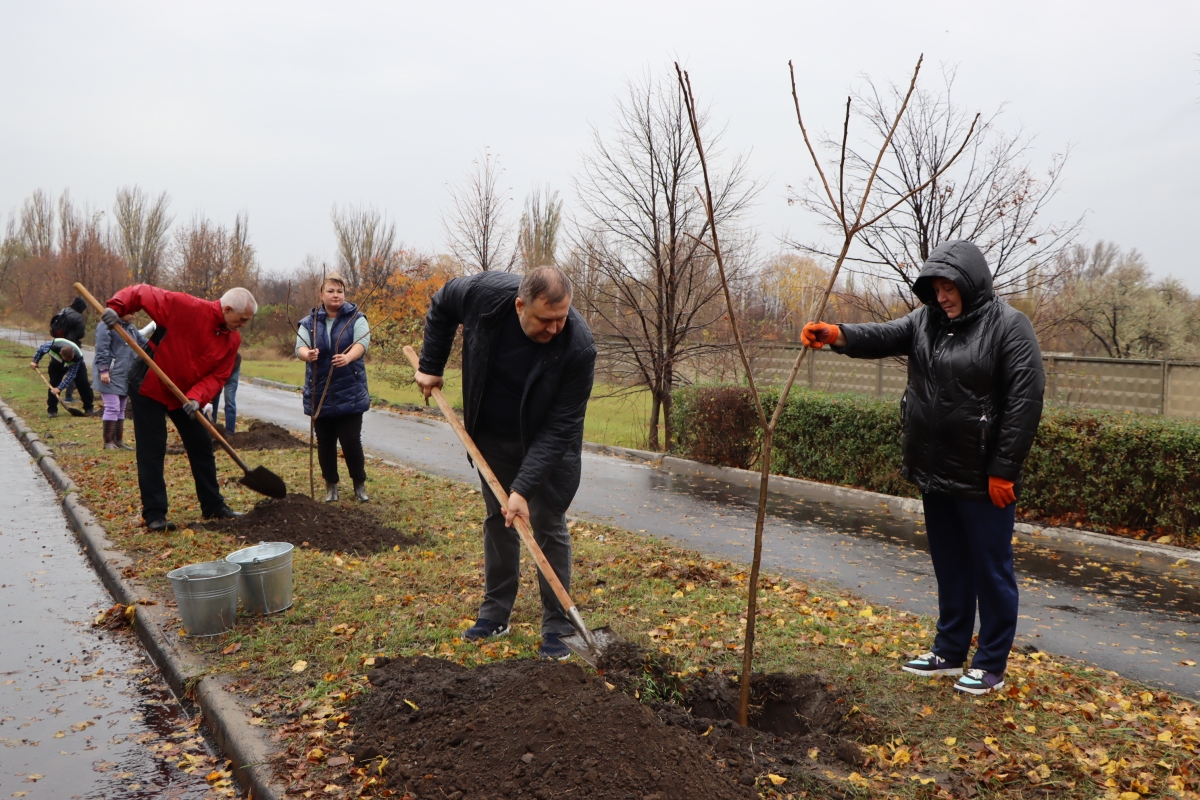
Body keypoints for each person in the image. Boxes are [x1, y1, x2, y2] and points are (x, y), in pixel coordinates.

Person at [801, 240, 1044, 696]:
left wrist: (1004, 469)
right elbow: (882, 335)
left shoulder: (1010, 327)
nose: (943, 295)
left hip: (983, 478)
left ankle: (991, 664)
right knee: (951, 566)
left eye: (949, 286)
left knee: (991, 570)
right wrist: (837, 334)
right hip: (935, 471)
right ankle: (949, 651)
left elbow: (1025, 403)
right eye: (935, 287)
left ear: (972, 283)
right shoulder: (925, 321)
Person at [415, 265, 596, 660]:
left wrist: (523, 489)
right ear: (520, 305)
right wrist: (431, 364)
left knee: (547, 523)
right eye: (546, 320)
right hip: (491, 434)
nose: (555, 329)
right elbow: (442, 304)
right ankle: (496, 614)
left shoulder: (579, 346)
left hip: (548, 443)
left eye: (562, 318)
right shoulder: (484, 295)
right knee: (499, 518)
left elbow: (561, 427)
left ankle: (558, 626)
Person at [102, 285, 257, 531]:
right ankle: (155, 515)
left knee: (201, 443)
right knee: (153, 447)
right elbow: (141, 292)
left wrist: (196, 398)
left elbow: (218, 376)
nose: (244, 325)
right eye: (242, 319)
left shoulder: (232, 340)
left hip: (183, 396)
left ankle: (213, 506)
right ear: (227, 309)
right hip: (149, 384)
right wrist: (117, 309)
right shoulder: (186, 307)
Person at [296, 273, 371, 502]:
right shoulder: (309, 323)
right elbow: (299, 347)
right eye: (331, 291)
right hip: (320, 391)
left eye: (340, 291)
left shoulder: (355, 318)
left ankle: (359, 485)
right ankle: (332, 487)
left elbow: (362, 343)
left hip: (350, 389)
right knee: (325, 442)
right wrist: (307, 355)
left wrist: (348, 358)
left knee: (350, 440)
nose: (335, 295)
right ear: (321, 295)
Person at [93, 312, 148, 450]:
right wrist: (104, 370)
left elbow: (143, 344)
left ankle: (118, 441)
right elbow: (101, 349)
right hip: (110, 374)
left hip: (125, 375)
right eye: (131, 313)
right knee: (113, 406)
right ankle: (108, 442)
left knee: (121, 408)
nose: (133, 316)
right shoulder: (106, 326)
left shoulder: (130, 328)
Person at [50, 297, 95, 414]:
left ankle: (52, 410)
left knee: (54, 381)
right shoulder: (78, 317)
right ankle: (89, 407)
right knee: (83, 381)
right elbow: (81, 334)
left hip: (59, 352)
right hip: (73, 352)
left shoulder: (62, 311)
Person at [30, 338, 85, 418]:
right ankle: (52, 411)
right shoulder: (52, 345)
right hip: (56, 364)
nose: (69, 361)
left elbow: (70, 376)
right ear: (60, 354)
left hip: (72, 363)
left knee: (83, 382)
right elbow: (41, 349)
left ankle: (89, 408)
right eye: (67, 359)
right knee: (53, 384)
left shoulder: (77, 357)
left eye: (71, 358)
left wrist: (59, 388)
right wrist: (35, 361)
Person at [208, 352, 241, 435]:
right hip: (218, 370)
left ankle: (230, 432)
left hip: (233, 369)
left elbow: (237, 358)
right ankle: (212, 429)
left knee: (229, 399)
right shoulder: (212, 356)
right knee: (213, 397)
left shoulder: (234, 357)